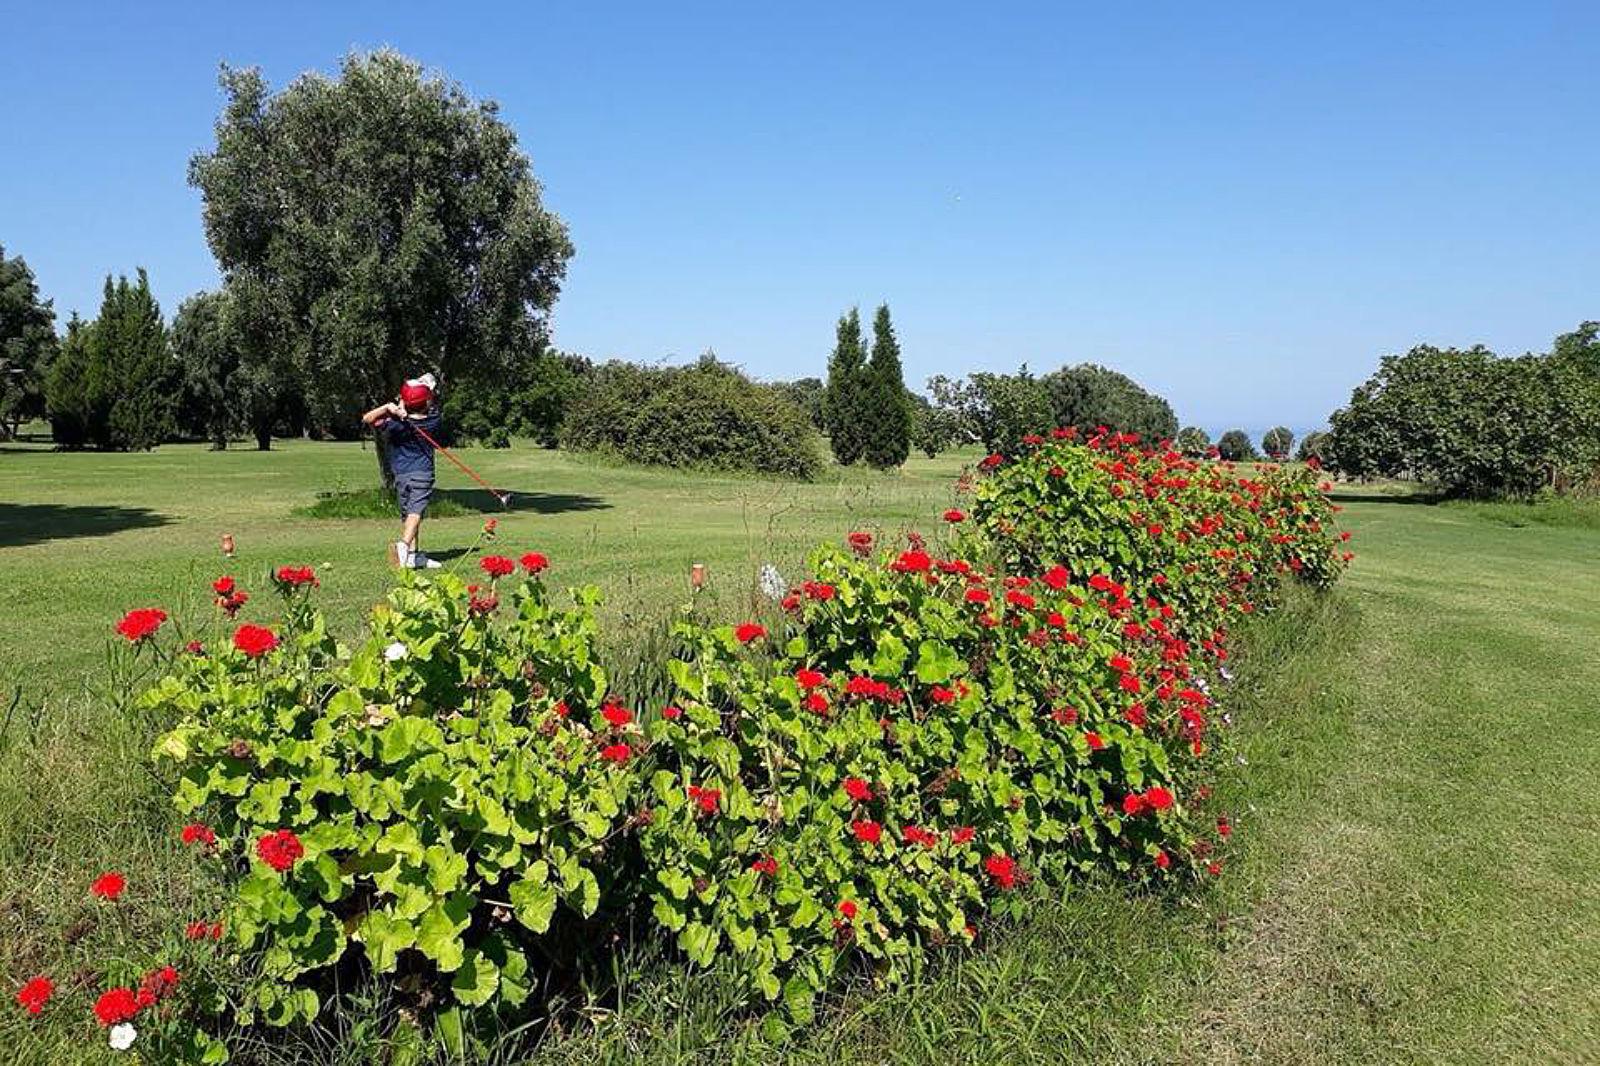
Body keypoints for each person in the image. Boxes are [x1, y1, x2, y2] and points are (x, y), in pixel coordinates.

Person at [362, 374, 444, 569]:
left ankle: (413, 557)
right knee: (416, 512)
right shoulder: (433, 420)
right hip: (422, 473)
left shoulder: (393, 424)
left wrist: (388, 408)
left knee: (409, 516)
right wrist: (401, 408)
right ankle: (404, 546)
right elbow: (427, 403)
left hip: (400, 473)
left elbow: (368, 419)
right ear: (426, 402)